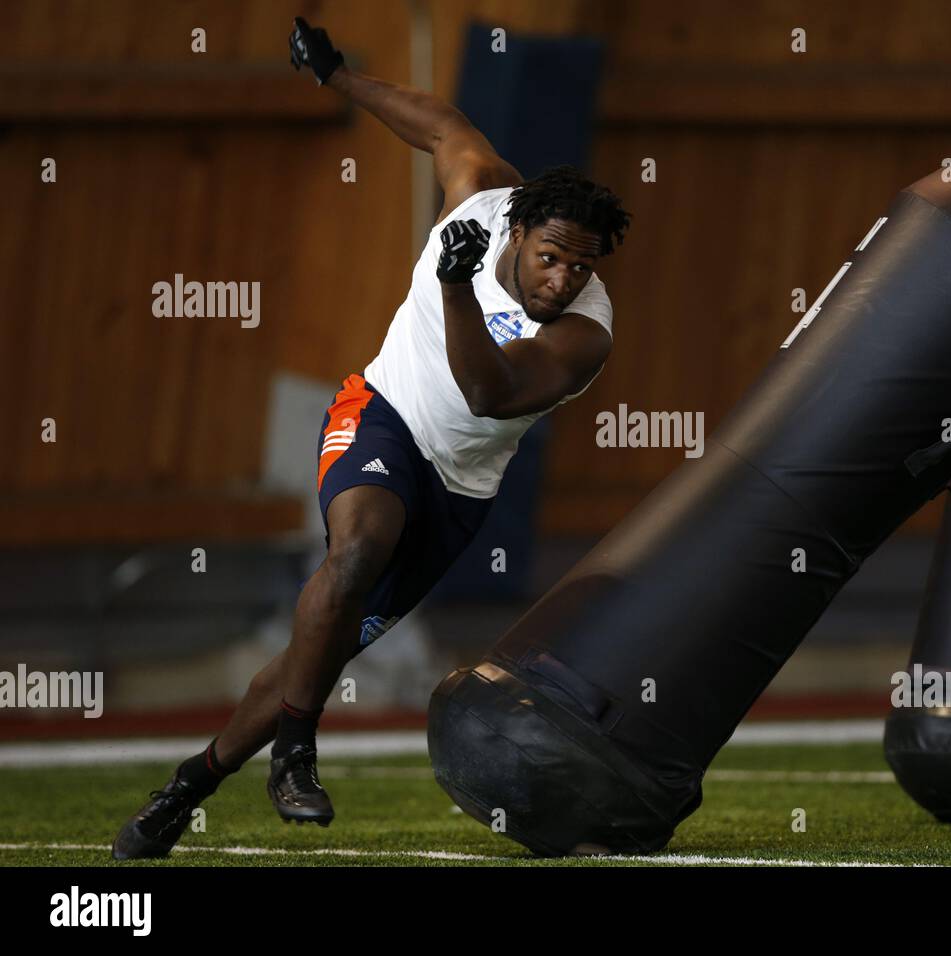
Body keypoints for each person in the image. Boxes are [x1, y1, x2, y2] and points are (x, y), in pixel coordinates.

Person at [112, 16, 631, 859]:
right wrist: (338, 77)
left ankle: (184, 790)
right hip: (379, 413)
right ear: (522, 230)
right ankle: (298, 751)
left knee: (309, 658)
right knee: (355, 552)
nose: (563, 279)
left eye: (583, 266)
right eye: (552, 258)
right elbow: (432, 120)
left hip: (457, 488)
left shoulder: (586, 335)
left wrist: (459, 290)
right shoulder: (483, 191)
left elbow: (487, 389)